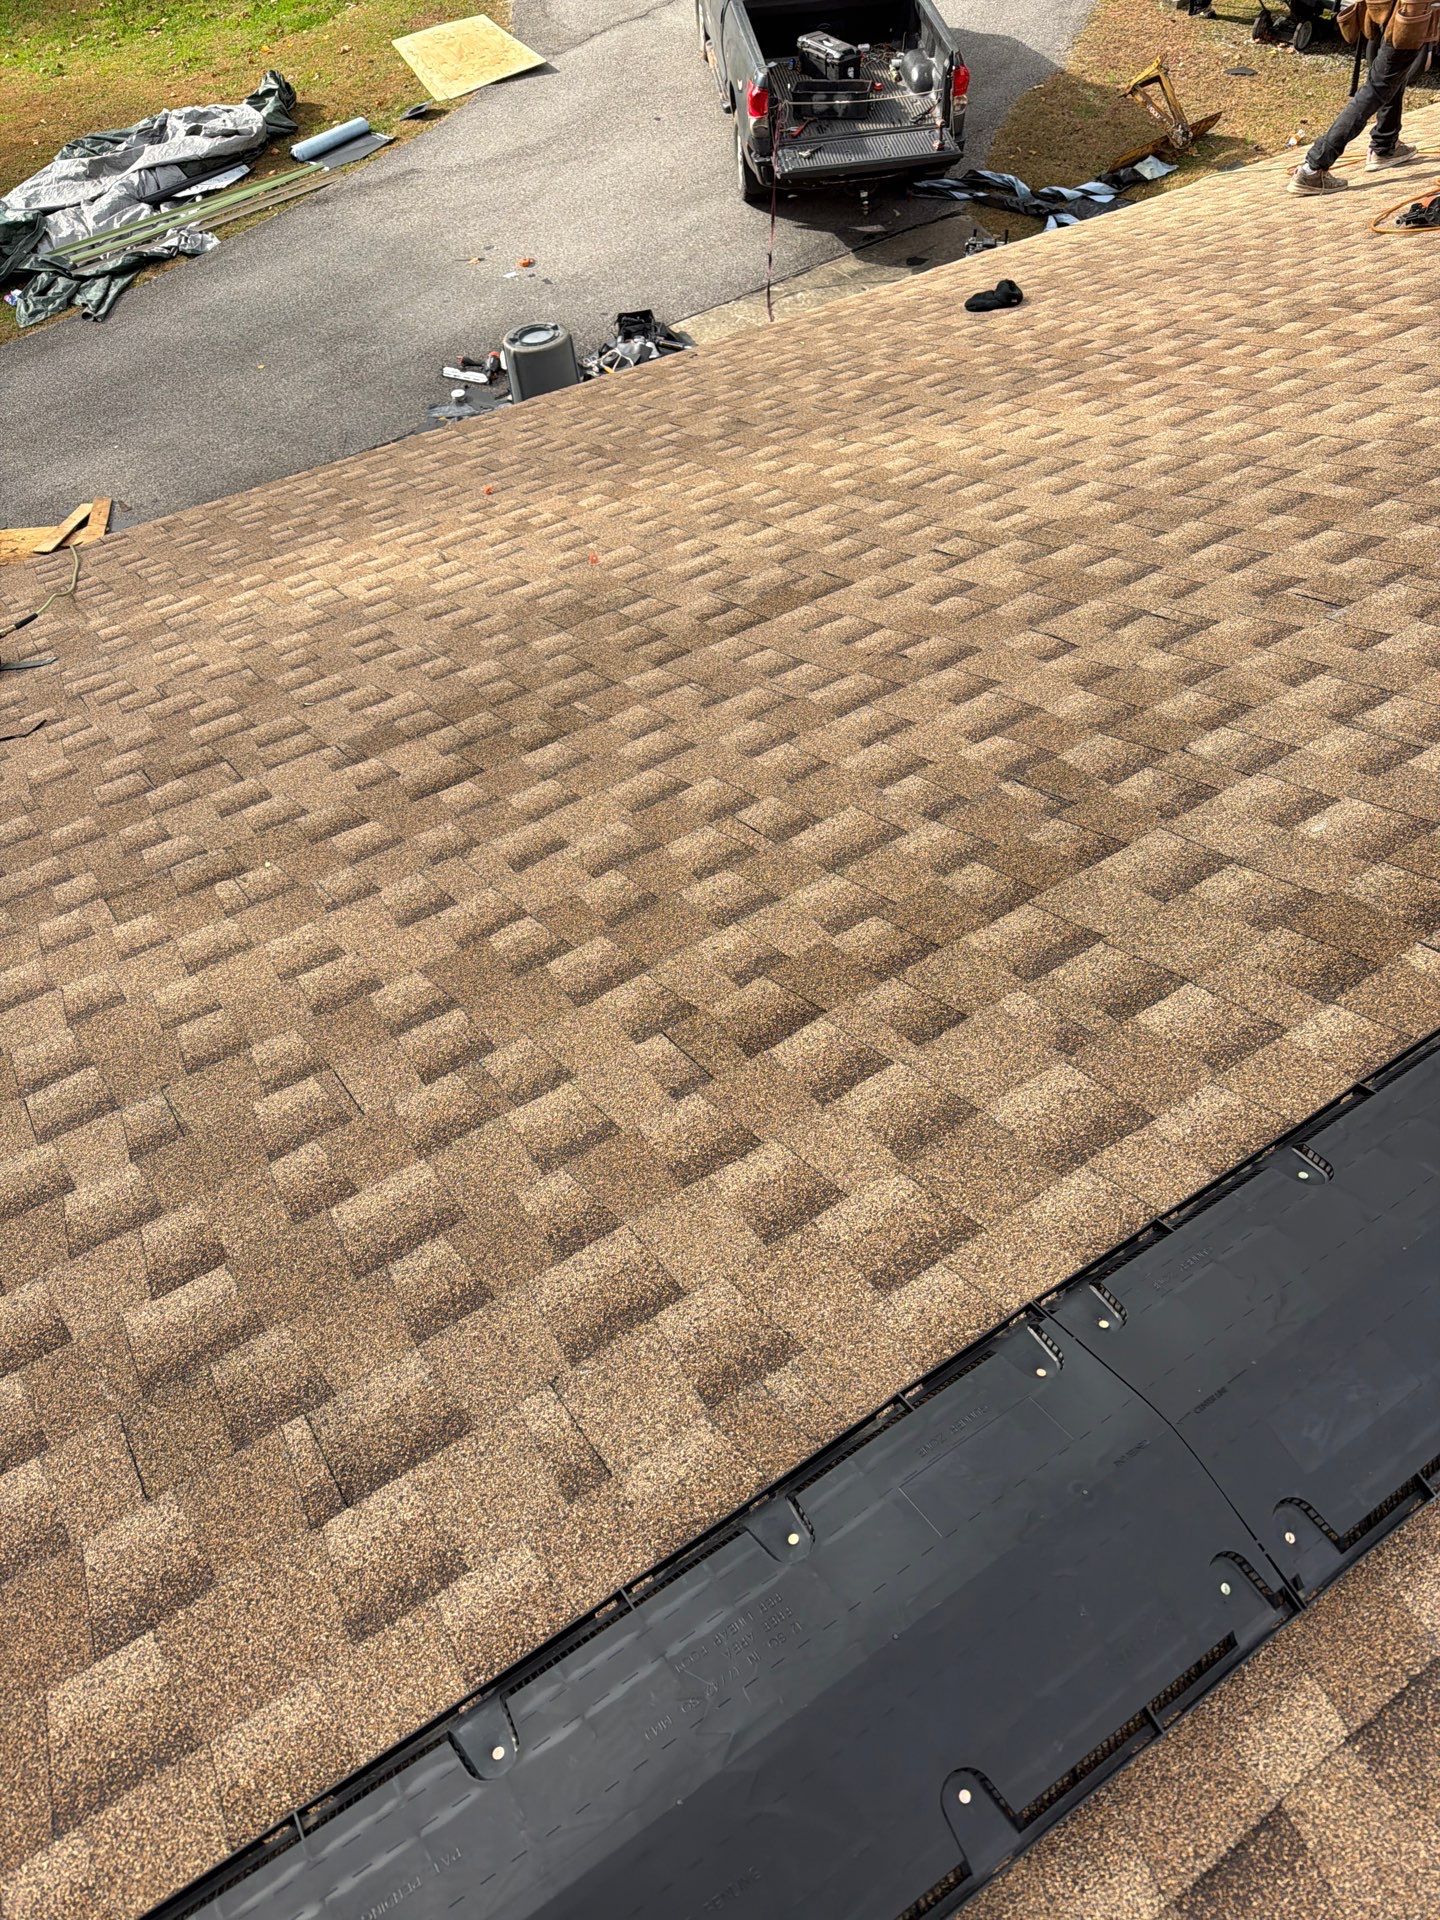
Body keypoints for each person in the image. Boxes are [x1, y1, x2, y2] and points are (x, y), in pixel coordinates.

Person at [1288, 0, 1440, 193]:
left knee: (1391, 77)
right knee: (1376, 89)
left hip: (1397, 15)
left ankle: (1385, 144)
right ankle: (1313, 167)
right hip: (1406, 18)